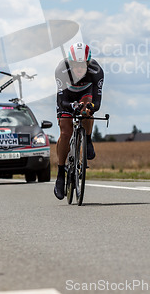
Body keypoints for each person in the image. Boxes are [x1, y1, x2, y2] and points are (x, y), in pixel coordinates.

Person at [54, 42, 104, 200]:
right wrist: (71, 106)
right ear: (70, 63)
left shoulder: (97, 71)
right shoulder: (61, 70)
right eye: (76, 64)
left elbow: (97, 100)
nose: (79, 68)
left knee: (88, 108)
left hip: (85, 94)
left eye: (83, 65)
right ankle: (61, 173)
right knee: (65, 131)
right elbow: (62, 101)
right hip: (67, 98)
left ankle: (87, 139)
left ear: (88, 63)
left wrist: (91, 107)